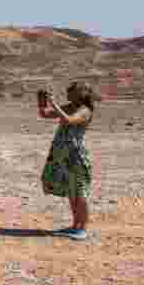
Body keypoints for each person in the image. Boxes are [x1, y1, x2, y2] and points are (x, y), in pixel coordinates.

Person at [38, 81, 99, 240]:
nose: (68, 94)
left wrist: (55, 104)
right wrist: (41, 100)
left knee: (80, 192)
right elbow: (45, 113)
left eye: (71, 91)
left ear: (81, 94)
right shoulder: (70, 107)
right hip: (63, 154)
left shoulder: (85, 111)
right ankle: (75, 225)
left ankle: (82, 228)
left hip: (75, 156)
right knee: (72, 192)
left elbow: (69, 120)